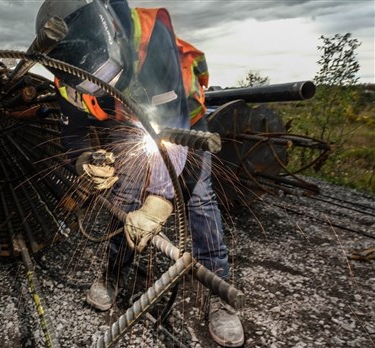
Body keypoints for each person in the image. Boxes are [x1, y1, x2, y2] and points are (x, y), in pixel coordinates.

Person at [35, 0, 244, 346]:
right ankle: (113, 274)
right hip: (129, 124)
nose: (102, 86)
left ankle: (218, 294)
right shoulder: (67, 75)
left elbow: (167, 129)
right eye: (93, 82)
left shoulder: (150, 36)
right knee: (127, 193)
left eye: (107, 75)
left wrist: (160, 199)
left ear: (112, 33)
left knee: (199, 199)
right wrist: (85, 159)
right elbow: (74, 134)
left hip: (183, 121)